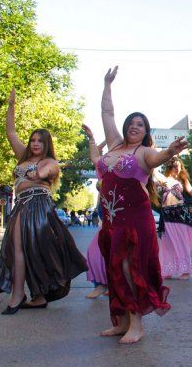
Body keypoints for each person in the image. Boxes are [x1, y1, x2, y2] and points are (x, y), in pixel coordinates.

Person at [97, 66, 187, 344]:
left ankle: (137, 323)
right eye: (131, 123)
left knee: (128, 268)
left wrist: (170, 151)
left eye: (140, 124)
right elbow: (107, 113)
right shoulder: (114, 145)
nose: (134, 126)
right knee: (113, 269)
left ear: (146, 131)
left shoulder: (144, 152)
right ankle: (121, 320)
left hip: (134, 220)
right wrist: (107, 85)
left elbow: (159, 158)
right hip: (112, 219)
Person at [0, 88, 88, 315]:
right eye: (33, 140)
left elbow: (45, 171)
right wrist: (11, 106)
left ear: (46, 144)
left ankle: (19, 297)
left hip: (38, 208)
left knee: (27, 250)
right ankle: (37, 296)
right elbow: (11, 133)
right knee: (20, 250)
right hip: (21, 206)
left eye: (40, 140)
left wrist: (38, 174)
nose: (35, 143)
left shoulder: (50, 162)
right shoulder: (23, 157)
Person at [82, 124, 109, 299]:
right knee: (95, 250)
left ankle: (108, 285)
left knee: (111, 251)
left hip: (120, 213)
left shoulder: (124, 162)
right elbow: (95, 154)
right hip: (104, 213)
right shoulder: (102, 166)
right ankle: (101, 284)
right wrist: (92, 137)